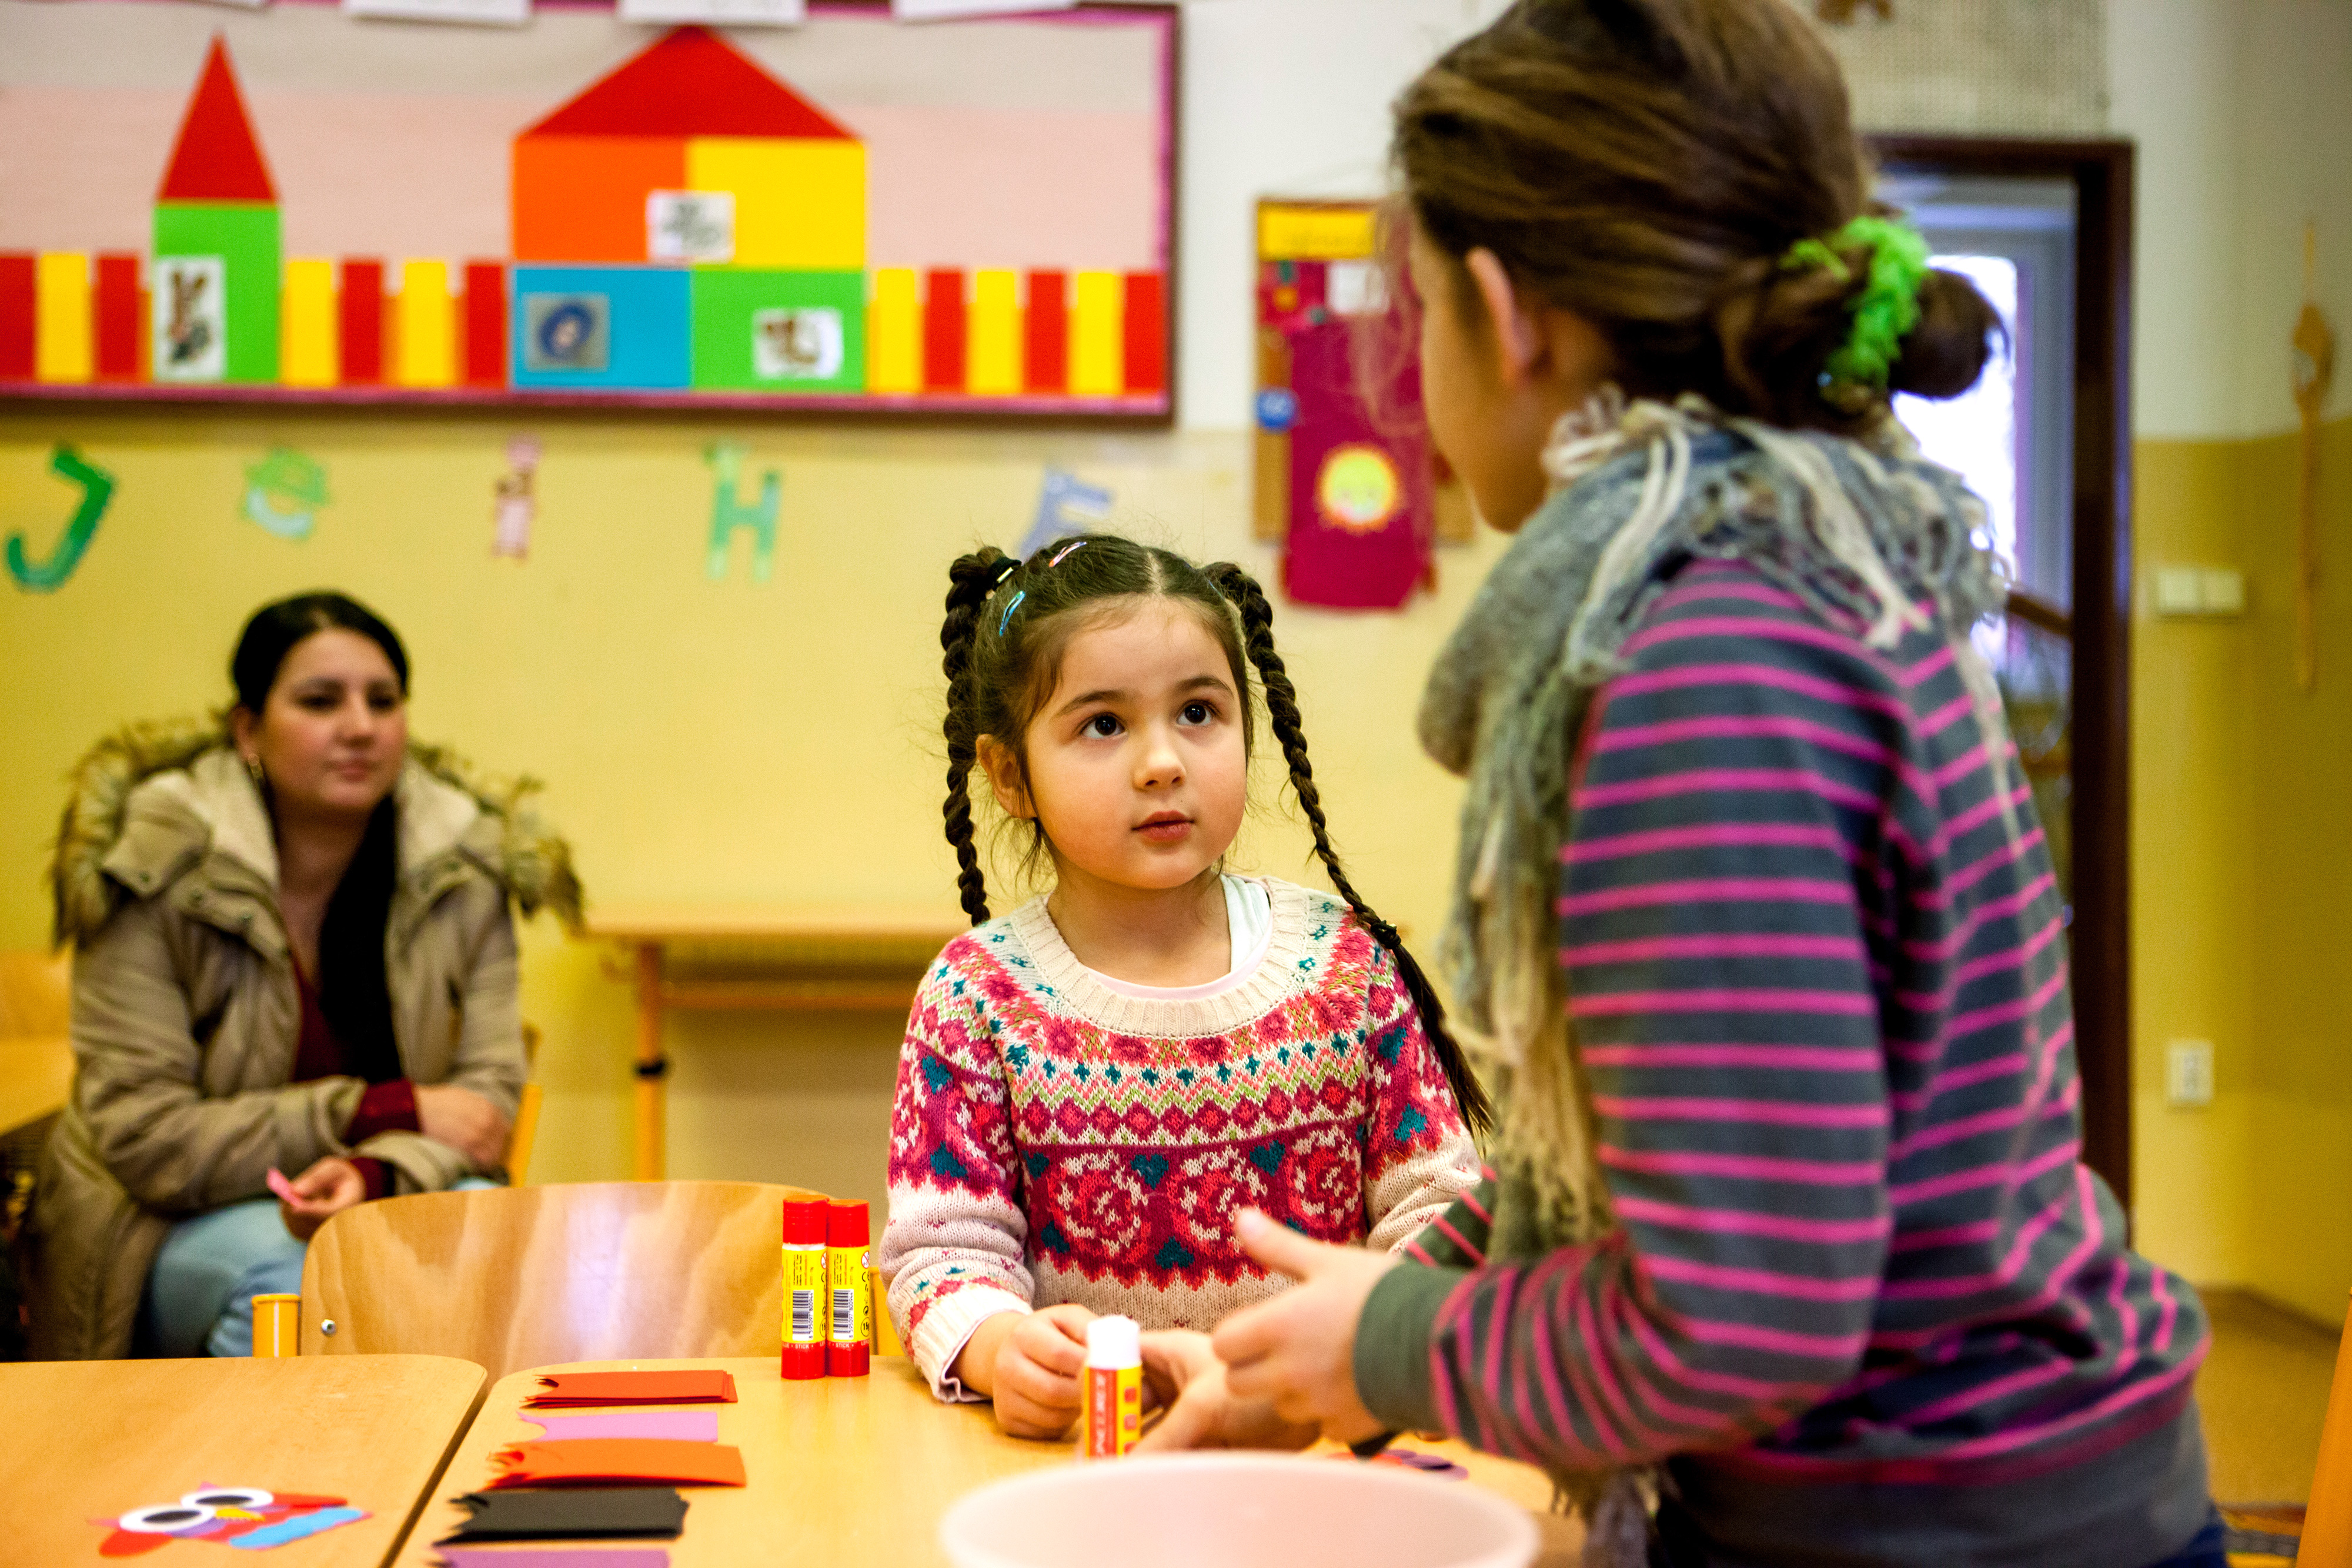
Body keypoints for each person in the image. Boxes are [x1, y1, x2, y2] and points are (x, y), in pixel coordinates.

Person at [1139, 5, 2221, 1566]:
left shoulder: (1700, 671)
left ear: (1508, 318)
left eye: (1418, 306)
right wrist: (1350, 1316)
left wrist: (1397, 1342)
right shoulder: (1818, 566)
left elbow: (1748, 1315)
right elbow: (1692, 1141)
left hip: (1933, 1528)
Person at [877, 534, 1488, 1439]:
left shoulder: (1346, 966)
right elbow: (941, 1253)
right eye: (1104, 724)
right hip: (1085, 1472)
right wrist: (1000, 1347)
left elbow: (1439, 1208)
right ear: (1010, 775)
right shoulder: (975, 999)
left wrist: (1388, 1345)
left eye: (1198, 713)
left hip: (1316, 1459)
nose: (1162, 761)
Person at [29, 591, 579, 1360]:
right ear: (247, 728)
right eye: (321, 701)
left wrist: (374, 1169)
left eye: (382, 701)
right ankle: (258, 1481)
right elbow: (147, 1139)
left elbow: (482, 1111)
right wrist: (381, 1110)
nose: (360, 726)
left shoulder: (463, 863)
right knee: (297, 1280)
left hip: (379, 1185)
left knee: (502, 1241)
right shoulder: (153, 868)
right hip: (162, 1221)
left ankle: (464, 1476)